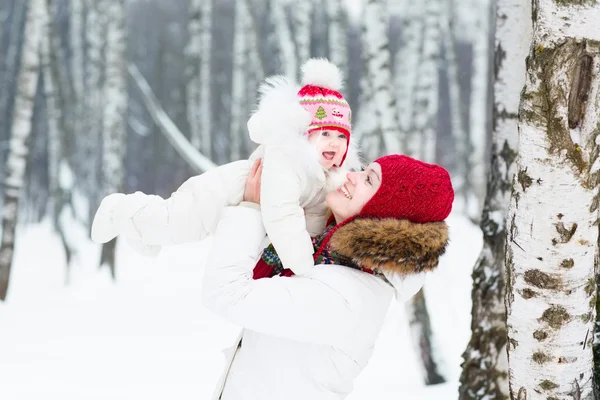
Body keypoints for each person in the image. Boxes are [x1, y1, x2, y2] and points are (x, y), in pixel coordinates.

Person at [202, 154, 455, 400]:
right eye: (364, 170)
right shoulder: (322, 254)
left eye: (369, 180)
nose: (352, 176)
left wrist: (250, 209)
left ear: (388, 212)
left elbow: (225, 293)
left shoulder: (347, 296)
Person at [90, 58, 360, 275]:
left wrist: (310, 250)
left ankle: (142, 230)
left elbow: (311, 219)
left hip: (228, 208)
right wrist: (303, 265)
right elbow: (282, 214)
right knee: (176, 223)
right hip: (217, 194)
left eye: (340, 137)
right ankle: (119, 208)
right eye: (324, 134)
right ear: (303, 135)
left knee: (172, 229)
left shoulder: (320, 177)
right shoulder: (287, 160)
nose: (334, 143)